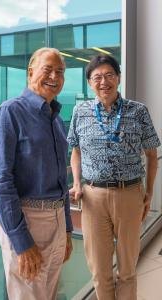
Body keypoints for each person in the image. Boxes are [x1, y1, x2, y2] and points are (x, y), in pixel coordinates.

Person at [67, 54, 161, 300]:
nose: (103, 82)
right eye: (97, 77)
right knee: (99, 270)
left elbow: (152, 155)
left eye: (109, 75)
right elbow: (75, 152)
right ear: (89, 82)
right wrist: (77, 183)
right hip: (92, 197)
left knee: (128, 269)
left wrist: (148, 191)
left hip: (129, 193)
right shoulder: (80, 111)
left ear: (118, 78)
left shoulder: (138, 111)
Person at [0, 47, 73, 300]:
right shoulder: (9, 113)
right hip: (28, 222)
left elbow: (61, 178)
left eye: (60, 71)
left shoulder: (55, 119)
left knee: (49, 294)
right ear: (30, 71)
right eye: (48, 69)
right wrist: (22, 241)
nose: (55, 76)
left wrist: (67, 228)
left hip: (56, 222)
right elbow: (1, 182)